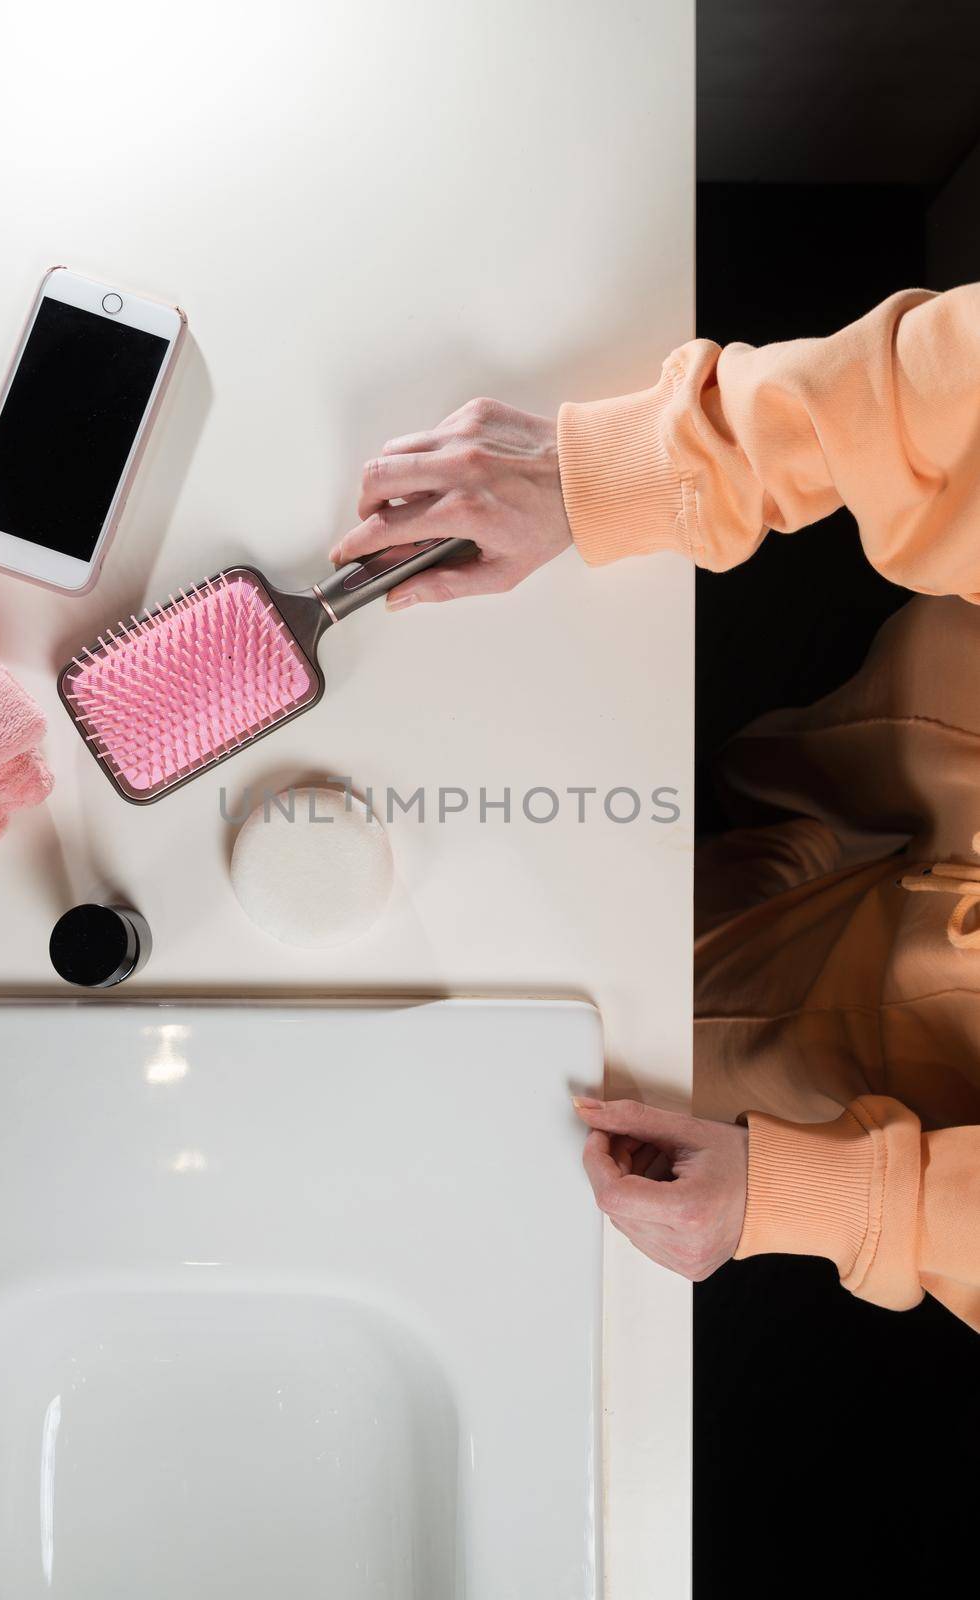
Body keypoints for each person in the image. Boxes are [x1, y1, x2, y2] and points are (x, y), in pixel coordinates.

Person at [329, 285, 980, 1330]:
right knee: (790, 762)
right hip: (944, 715)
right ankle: (765, 793)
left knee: (609, 1064)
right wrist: (644, 467)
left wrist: (836, 1203)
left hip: (931, 1062)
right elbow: (959, 381)